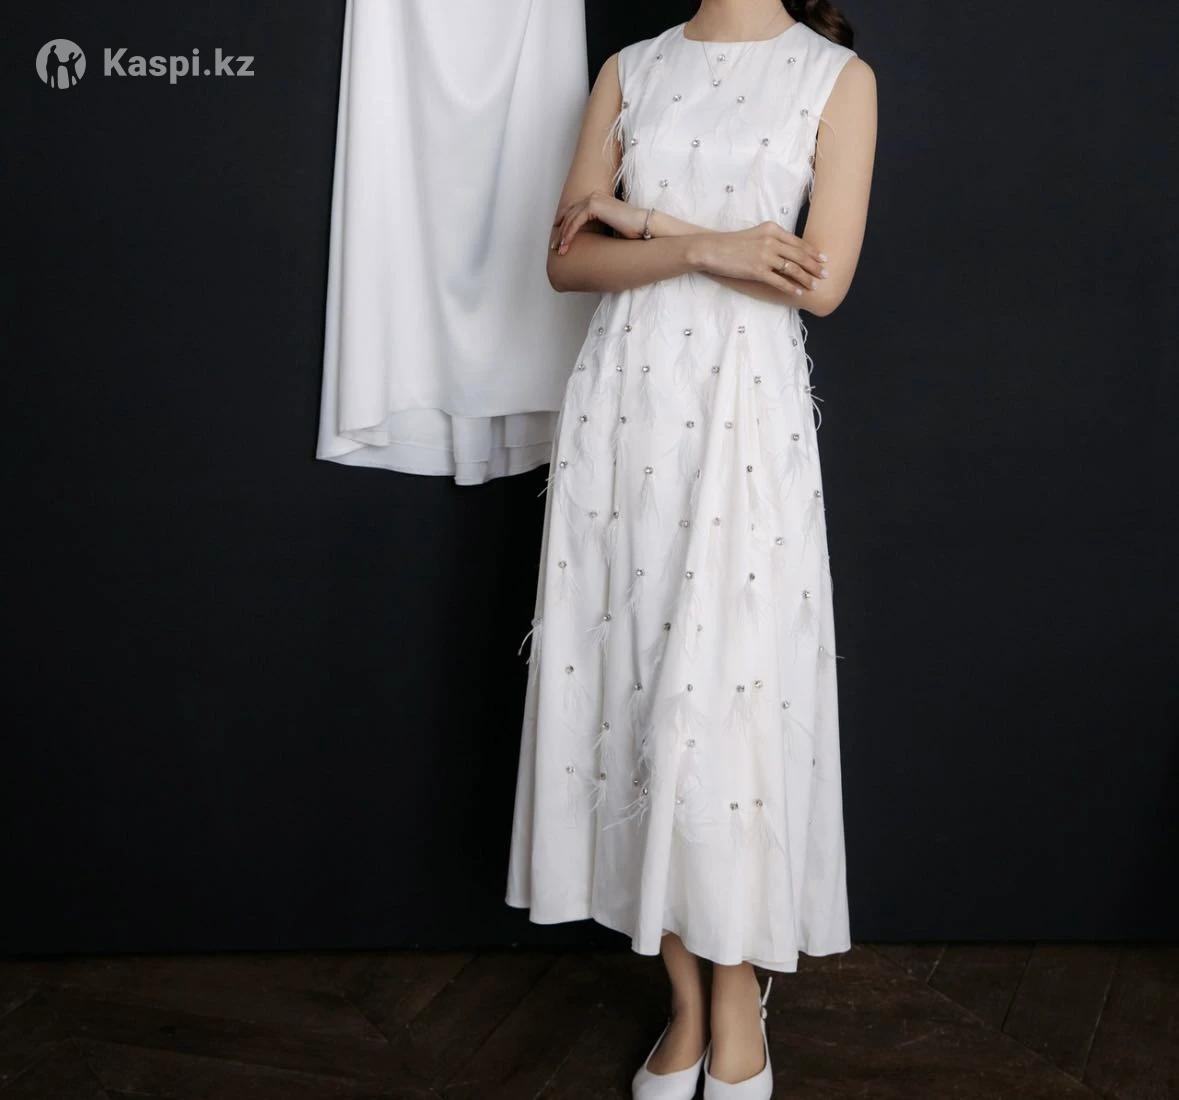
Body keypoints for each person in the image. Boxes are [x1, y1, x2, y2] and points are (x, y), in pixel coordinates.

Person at [506, 1, 876, 1095]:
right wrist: (707, 241)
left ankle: (737, 991)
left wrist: (648, 222)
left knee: (732, 694)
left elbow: (821, 280)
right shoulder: (630, 68)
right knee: (631, 680)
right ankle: (681, 993)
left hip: (745, 412)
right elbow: (569, 263)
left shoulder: (836, 79)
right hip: (625, 404)